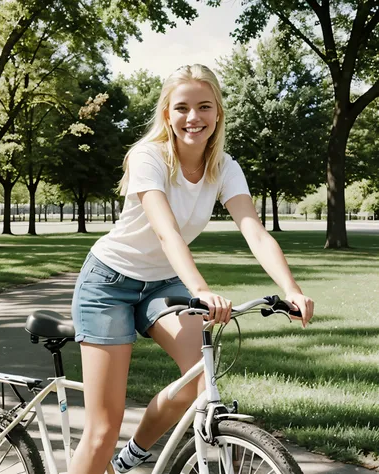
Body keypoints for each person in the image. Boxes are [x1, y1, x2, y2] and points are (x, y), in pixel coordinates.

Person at [69, 64, 314, 474]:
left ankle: (133, 455)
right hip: (108, 284)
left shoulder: (224, 167)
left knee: (200, 381)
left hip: (161, 285)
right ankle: (111, 451)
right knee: (101, 429)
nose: (193, 117)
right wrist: (200, 288)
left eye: (204, 106)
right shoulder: (148, 157)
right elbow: (167, 233)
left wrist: (291, 288)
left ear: (218, 112)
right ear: (167, 113)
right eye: (181, 107)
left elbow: (254, 230)